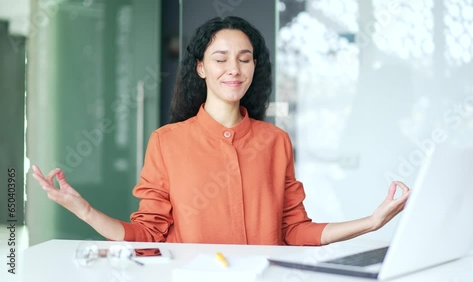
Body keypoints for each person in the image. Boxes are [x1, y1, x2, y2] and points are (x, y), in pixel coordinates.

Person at [32, 16, 410, 246]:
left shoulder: (275, 142)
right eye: (221, 58)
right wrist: (83, 210)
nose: (234, 69)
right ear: (200, 68)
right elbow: (147, 235)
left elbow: (295, 231)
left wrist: (372, 221)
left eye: (245, 59)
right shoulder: (166, 142)